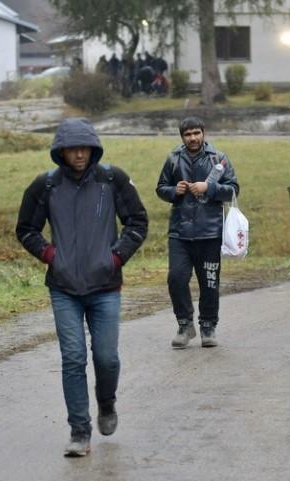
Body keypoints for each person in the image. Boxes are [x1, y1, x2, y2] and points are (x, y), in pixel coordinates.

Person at [16, 118, 149, 457]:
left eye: (84, 147)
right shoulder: (45, 186)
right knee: (72, 358)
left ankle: (106, 402)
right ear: (60, 151)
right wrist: (49, 255)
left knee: (106, 358)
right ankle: (79, 431)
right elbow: (26, 228)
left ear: (93, 148)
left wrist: (115, 258)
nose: (79, 154)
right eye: (73, 148)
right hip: (64, 288)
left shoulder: (111, 179)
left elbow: (137, 221)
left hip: (105, 286)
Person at [156, 117, 239, 349]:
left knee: (209, 282)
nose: (193, 138)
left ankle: (208, 326)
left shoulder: (219, 158)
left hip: (210, 232)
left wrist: (208, 188)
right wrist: (175, 191)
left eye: (196, 133)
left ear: (204, 133)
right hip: (180, 232)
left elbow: (233, 190)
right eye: (187, 134)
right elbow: (160, 188)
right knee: (176, 278)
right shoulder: (173, 158)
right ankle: (184, 324)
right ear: (181, 137)